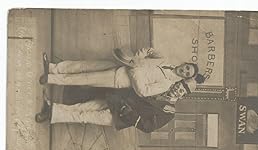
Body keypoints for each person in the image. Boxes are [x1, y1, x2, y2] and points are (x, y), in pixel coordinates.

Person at [35, 78, 198, 133]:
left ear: (183, 95)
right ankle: (52, 109)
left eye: (182, 90)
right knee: (82, 107)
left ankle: (49, 115)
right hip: (116, 100)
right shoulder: (160, 88)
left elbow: (148, 127)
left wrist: (129, 113)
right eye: (180, 84)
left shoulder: (169, 111)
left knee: (83, 116)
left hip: (121, 116)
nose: (178, 88)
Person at [39, 47, 200, 97]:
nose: (184, 71)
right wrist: (135, 59)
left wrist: (134, 71)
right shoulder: (165, 59)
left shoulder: (166, 84)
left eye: (187, 74)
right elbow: (148, 50)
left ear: (183, 78)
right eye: (187, 68)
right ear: (184, 64)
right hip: (121, 64)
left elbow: (143, 92)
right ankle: (54, 68)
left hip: (120, 78)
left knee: (85, 78)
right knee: (85, 65)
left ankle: (51, 79)